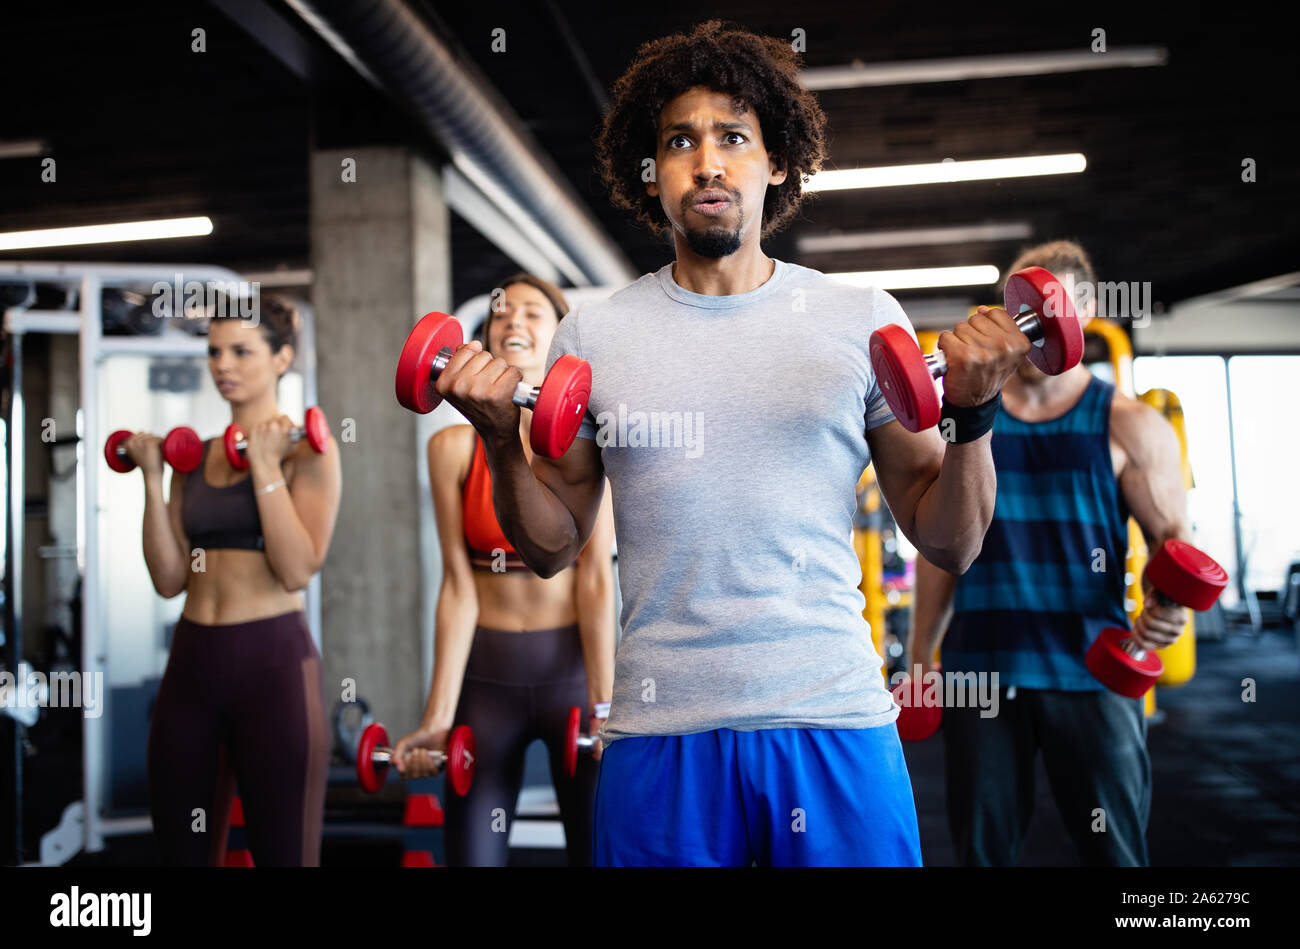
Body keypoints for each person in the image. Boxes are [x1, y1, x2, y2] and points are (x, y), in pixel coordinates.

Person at [430, 20, 1031, 866]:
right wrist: (498, 442)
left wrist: (972, 419)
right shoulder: (593, 335)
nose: (708, 161)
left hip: (830, 720)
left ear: (776, 160)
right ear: (653, 172)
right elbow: (553, 546)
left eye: (733, 137)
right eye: (680, 141)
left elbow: (950, 539)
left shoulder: (859, 319)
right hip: (660, 729)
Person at [907, 240, 1191, 866]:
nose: (1025, 326)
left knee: (1115, 857)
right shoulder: (965, 420)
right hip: (981, 670)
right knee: (983, 855)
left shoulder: (1129, 424)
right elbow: (939, 549)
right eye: (1017, 307)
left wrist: (1167, 607)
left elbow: (1176, 547)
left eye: (1046, 310)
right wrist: (923, 653)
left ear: (1085, 312)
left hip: (1090, 670)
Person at [391, 274, 616, 867]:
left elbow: (594, 579)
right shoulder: (449, 452)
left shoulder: (586, 442)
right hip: (487, 685)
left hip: (569, 678)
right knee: (473, 856)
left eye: (532, 314)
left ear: (560, 339)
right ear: (485, 340)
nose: (513, 321)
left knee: (597, 852)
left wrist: (605, 703)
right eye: (501, 314)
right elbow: (457, 587)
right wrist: (436, 717)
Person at [131, 294, 341, 866]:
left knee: (284, 854)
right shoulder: (193, 458)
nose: (223, 364)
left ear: (281, 359)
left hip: (271, 666)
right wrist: (153, 479)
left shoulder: (308, 452)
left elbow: (298, 568)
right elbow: (170, 579)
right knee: (182, 852)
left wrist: (267, 464)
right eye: (215, 351)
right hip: (192, 664)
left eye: (241, 351)